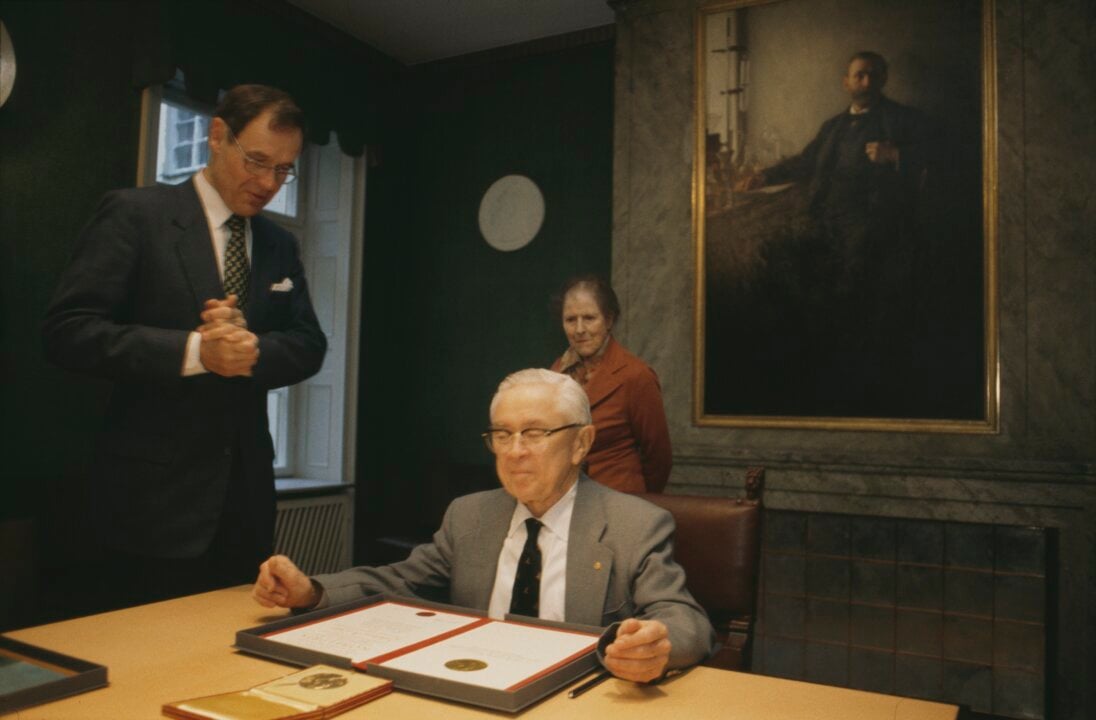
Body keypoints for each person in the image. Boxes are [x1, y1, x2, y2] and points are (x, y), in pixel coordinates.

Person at [42, 84, 327, 609]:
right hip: (147, 509)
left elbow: (310, 344)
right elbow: (68, 331)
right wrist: (196, 353)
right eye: (257, 161)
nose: (268, 183)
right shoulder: (136, 215)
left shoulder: (279, 244)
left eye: (283, 170)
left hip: (245, 510)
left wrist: (251, 350)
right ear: (217, 136)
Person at [253, 369, 714, 682]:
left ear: (581, 444)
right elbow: (397, 580)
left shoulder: (635, 524)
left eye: (535, 433)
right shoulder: (470, 516)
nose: (514, 451)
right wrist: (311, 592)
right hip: (477, 691)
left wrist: (658, 647)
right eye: (502, 434)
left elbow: (686, 619)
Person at [734, 51, 935, 413]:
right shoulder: (833, 127)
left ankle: (855, 376)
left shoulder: (904, 120)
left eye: (874, 75)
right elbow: (805, 162)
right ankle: (804, 364)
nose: (867, 82)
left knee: (852, 286)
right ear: (846, 82)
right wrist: (764, 176)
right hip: (823, 216)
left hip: (874, 220)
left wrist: (896, 156)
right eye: (859, 75)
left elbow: (942, 159)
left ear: (884, 79)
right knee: (777, 262)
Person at [549, 276, 672, 494]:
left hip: (618, 498)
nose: (579, 329)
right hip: (566, 499)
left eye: (589, 318)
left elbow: (659, 458)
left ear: (609, 320)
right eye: (570, 320)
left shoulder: (636, 375)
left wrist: (639, 501)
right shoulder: (556, 372)